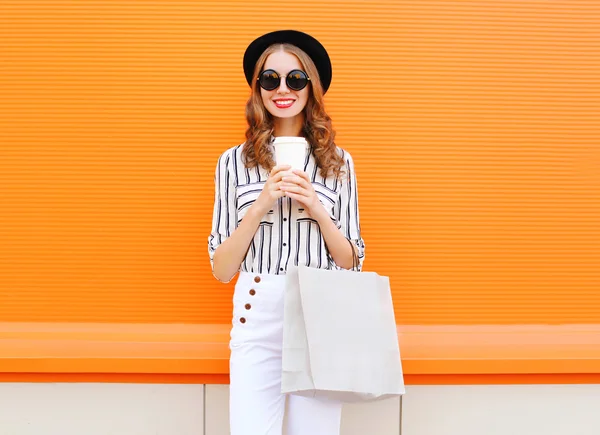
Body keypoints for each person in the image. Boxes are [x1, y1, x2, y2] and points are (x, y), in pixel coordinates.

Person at [208, 29, 365, 435]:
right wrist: (260, 205)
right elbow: (222, 268)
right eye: (270, 78)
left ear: (311, 88)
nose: (282, 89)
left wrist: (316, 208)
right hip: (257, 309)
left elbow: (351, 260)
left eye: (295, 79)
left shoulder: (338, 162)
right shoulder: (233, 163)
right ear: (258, 88)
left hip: (319, 309)